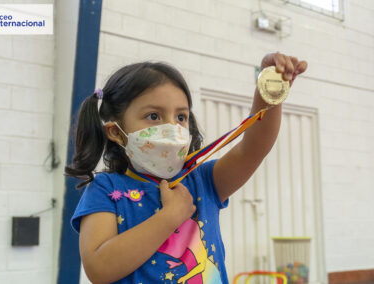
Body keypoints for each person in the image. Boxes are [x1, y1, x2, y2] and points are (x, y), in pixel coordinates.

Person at [66, 53, 308, 284]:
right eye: (153, 116)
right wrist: (170, 217)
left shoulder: (203, 180)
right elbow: (99, 268)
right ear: (117, 132)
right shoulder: (105, 189)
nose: (172, 127)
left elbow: (254, 147)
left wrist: (269, 92)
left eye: (180, 117)